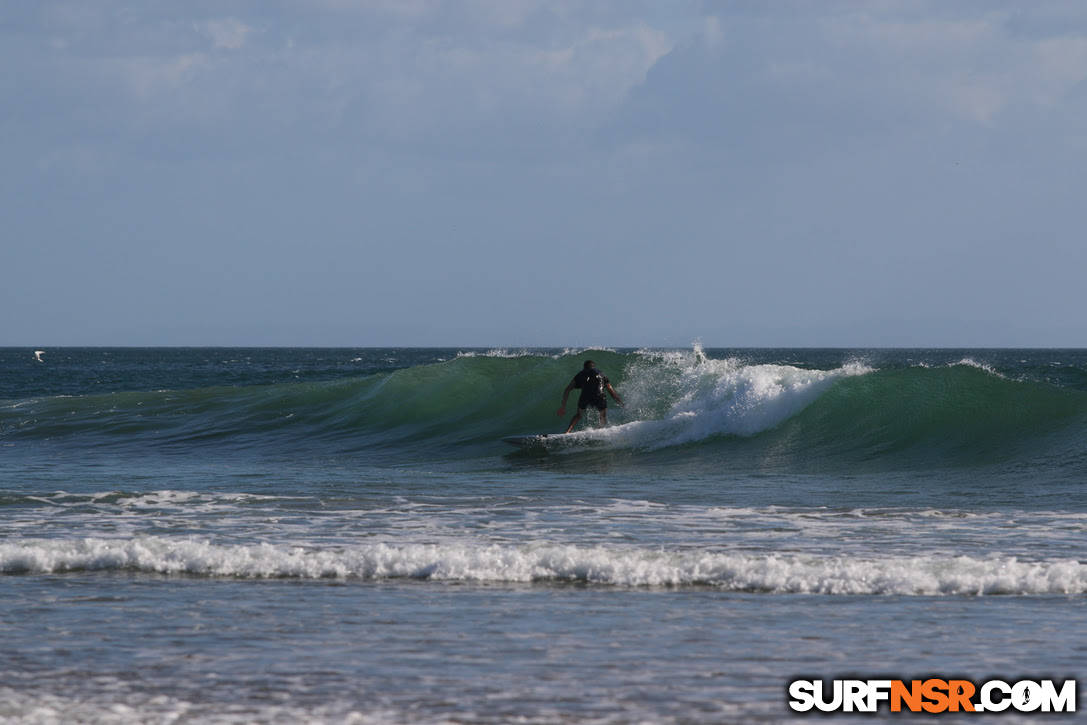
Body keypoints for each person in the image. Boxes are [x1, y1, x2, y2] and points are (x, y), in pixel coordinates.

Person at [556, 360, 623, 433]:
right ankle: (601, 431)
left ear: (584, 367)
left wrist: (563, 407)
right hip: (599, 395)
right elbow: (611, 390)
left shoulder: (581, 374)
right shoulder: (602, 374)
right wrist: (620, 402)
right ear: (594, 366)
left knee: (578, 415)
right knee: (602, 415)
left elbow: (567, 389)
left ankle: (567, 431)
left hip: (585, 396)